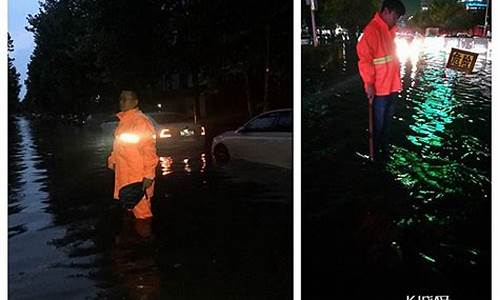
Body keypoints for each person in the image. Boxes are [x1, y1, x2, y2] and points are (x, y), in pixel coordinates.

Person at [356, 0, 405, 162]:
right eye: (395, 16)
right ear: (386, 11)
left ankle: (384, 149)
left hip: (391, 87)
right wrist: (369, 84)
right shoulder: (372, 31)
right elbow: (365, 60)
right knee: (378, 125)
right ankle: (375, 154)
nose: (395, 20)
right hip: (379, 90)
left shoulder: (388, 31)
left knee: (386, 124)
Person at [108, 90, 159, 219]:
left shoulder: (141, 122)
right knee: (129, 212)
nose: (122, 101)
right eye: (120, 99)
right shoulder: (124, 122)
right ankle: (134, 237)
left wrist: (148, 175)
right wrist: (112, 161)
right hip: (125, 177)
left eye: (126, 99)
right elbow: (118, 147)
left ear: (135, 102)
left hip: (138, 179)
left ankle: (146, 237)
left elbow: (149, 151)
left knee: (143, 215)